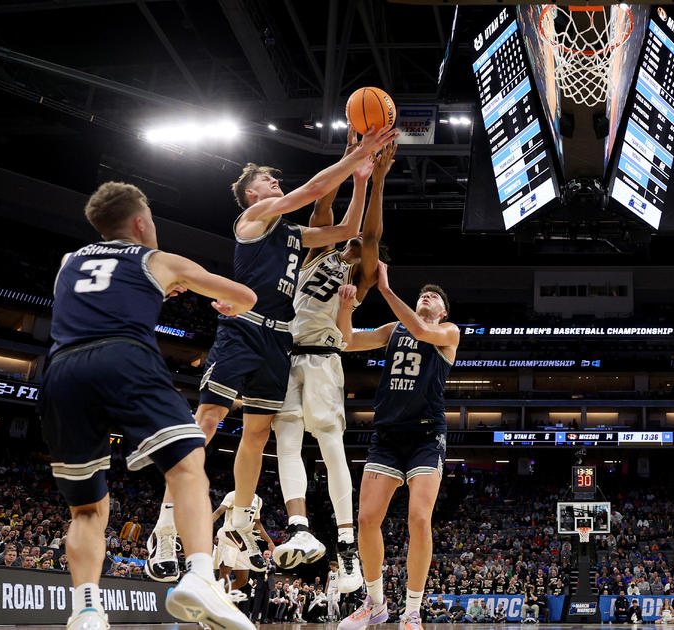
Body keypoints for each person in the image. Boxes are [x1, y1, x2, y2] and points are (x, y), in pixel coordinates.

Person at [147, 125, 398, 581]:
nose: (276, 184)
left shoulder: (292, 235)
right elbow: (314, 190)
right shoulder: (256, 218)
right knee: (207, 421)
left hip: (278, 340)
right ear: (250, 192)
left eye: (276, 182)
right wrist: (358, 153)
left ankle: (241, 518)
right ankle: (166, 523)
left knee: (259, 435)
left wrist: (361, 181)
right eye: (268, 180)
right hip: (243, 330)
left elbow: (346, 229)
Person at [40, 181, 256, 630]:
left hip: (61, 370)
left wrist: (156, 289)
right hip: (123, 356)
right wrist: (185, 286)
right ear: (141, 223)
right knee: (187, 460)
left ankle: (85, 610)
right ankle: (199, 574)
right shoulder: (157, 259)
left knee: (86, 509)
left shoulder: (67, 262)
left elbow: (97, 294)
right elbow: (245, 297)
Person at [272, 141, 397, 587]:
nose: (370, 252)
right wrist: (351, 161)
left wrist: (378, 181)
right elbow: (323, 198)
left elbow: (372, 236)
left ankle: (346, 548)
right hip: (285, 354)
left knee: (330, 446)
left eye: (375, 256)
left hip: (324, 358)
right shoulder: (315, 252)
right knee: (284, 441)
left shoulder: (358, 278)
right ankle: (299, 529)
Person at [337, 262, 458, 630]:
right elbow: (347, 341)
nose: (427, 295)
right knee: (366, 519)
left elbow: (421, 329)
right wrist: (345, 306)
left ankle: (412, 611)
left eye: (434, 296)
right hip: (387, 435)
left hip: (425, 435)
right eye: (424, 292)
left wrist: (386, 289)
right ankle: (375, 604)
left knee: (419, 518)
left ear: (443, 311)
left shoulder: (448, 332)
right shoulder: (393, 330)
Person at [211, 491, 274, 602]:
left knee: (243, 580)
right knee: (224, 577)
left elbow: (257, 523)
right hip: (229, 537)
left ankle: (214, 596)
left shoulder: (258, 500)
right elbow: (218, 512)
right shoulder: (233, 494)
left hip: (245, 541)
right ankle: (218, 603)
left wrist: (269, 541)